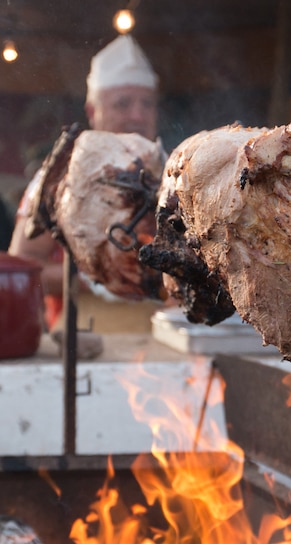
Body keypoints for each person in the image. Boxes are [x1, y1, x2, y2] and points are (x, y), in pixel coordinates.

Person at [8, 34, 162, 334]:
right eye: (123, 104)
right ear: (93, 112)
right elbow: (23, 267)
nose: (138, 115)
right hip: (82, 339)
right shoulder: (60, 176)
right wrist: (93, 280)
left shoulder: (172, 172)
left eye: (147, 104)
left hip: (166, 345)